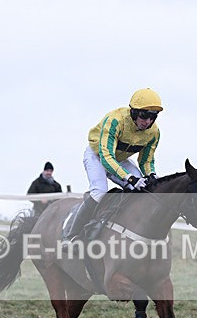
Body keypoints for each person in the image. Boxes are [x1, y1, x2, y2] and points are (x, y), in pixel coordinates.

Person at [64, 88, 163, 240]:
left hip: (120, 159)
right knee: (100, 192)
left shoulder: (154, 132)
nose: (148, 121)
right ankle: (71, 235)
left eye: (153, 117)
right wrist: (129, 178)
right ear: (134, 112)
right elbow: (106, 157)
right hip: (97, 155)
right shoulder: (115, 120)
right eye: (144, 116)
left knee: (142, 190)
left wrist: (152, 175)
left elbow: (146, 161)